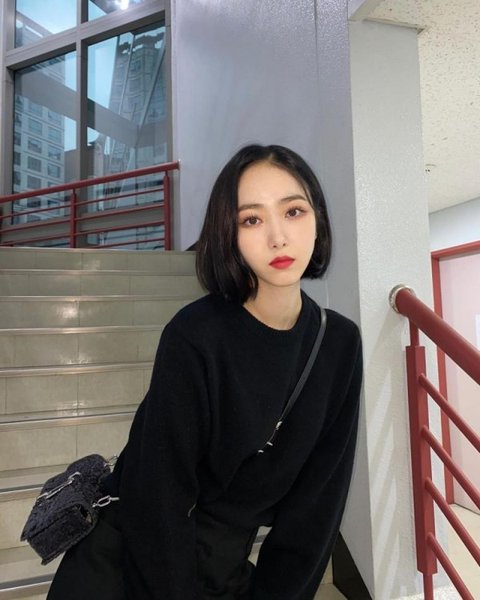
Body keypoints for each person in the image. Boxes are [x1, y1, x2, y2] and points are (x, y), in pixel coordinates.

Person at [47, 144, 362, 600]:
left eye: (293, 211)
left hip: (222, 565)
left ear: (318, 220)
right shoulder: (195, 335)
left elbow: (318, 508)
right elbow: (159, 496)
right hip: (127, 561)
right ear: (228, 233)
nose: (278, 237)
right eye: (251, 220)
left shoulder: (339, 344)